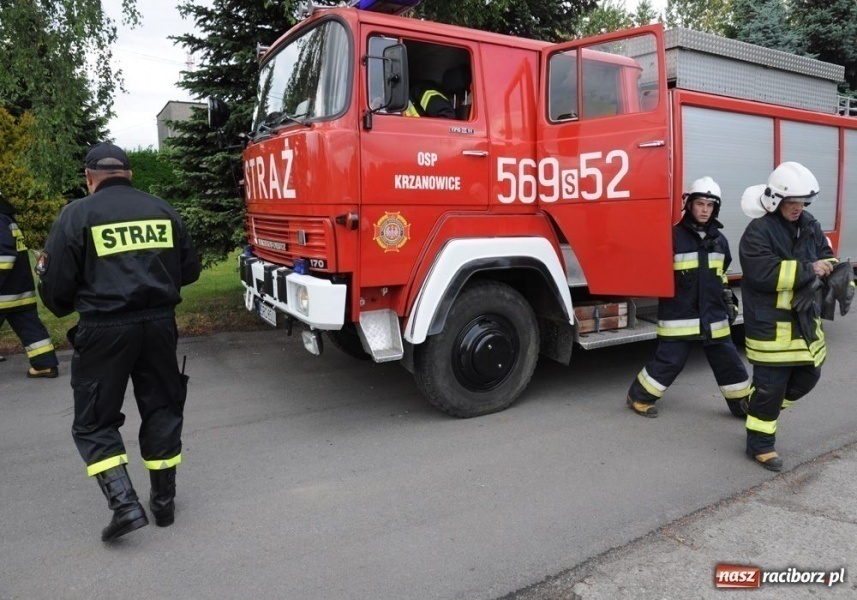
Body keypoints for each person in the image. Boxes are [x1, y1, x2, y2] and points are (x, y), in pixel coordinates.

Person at [38, 142, 201, 541]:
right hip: (160, 324)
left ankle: (125, 506)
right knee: (163, 406)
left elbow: (57, 291)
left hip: (104, 329)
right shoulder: (162, 209)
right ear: (129, 174)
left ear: (90, 179)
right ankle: (163, 505)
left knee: (95, 420)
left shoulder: (76, 214)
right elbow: (190, 270)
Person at [738, 162, 839, 471]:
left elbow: (825, 253)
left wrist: (836, 271)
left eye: (802, 202)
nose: (798, 208)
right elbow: (762, 273)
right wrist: (809, 269)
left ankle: (756, 407)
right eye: (792, 202)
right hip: (771, 326)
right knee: (771, 387)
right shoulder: (758, 231)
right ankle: (760, 445)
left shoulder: (809, 223)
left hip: (805, 323)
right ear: (775, 200)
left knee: (809, 376)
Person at [626, 177, 750, 418]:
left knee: (728, 360)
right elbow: (657, 273)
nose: (704, 210)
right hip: (679, 313)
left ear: (716, 209)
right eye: (700, 204)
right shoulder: (673, 237)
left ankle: (742, 405)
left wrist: (727, 298)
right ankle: (638, 396)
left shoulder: (720, 241)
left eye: (709, 205)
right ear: (689, 205)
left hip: (714, 314)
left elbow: (721, 273)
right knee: (671, 360)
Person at [0, 191, 59, 378]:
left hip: (3, 291)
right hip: (19, 289)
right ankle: (44, 365)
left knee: (29, 326)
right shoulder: (6, 219)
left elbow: (4, 256)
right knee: (30, 327)